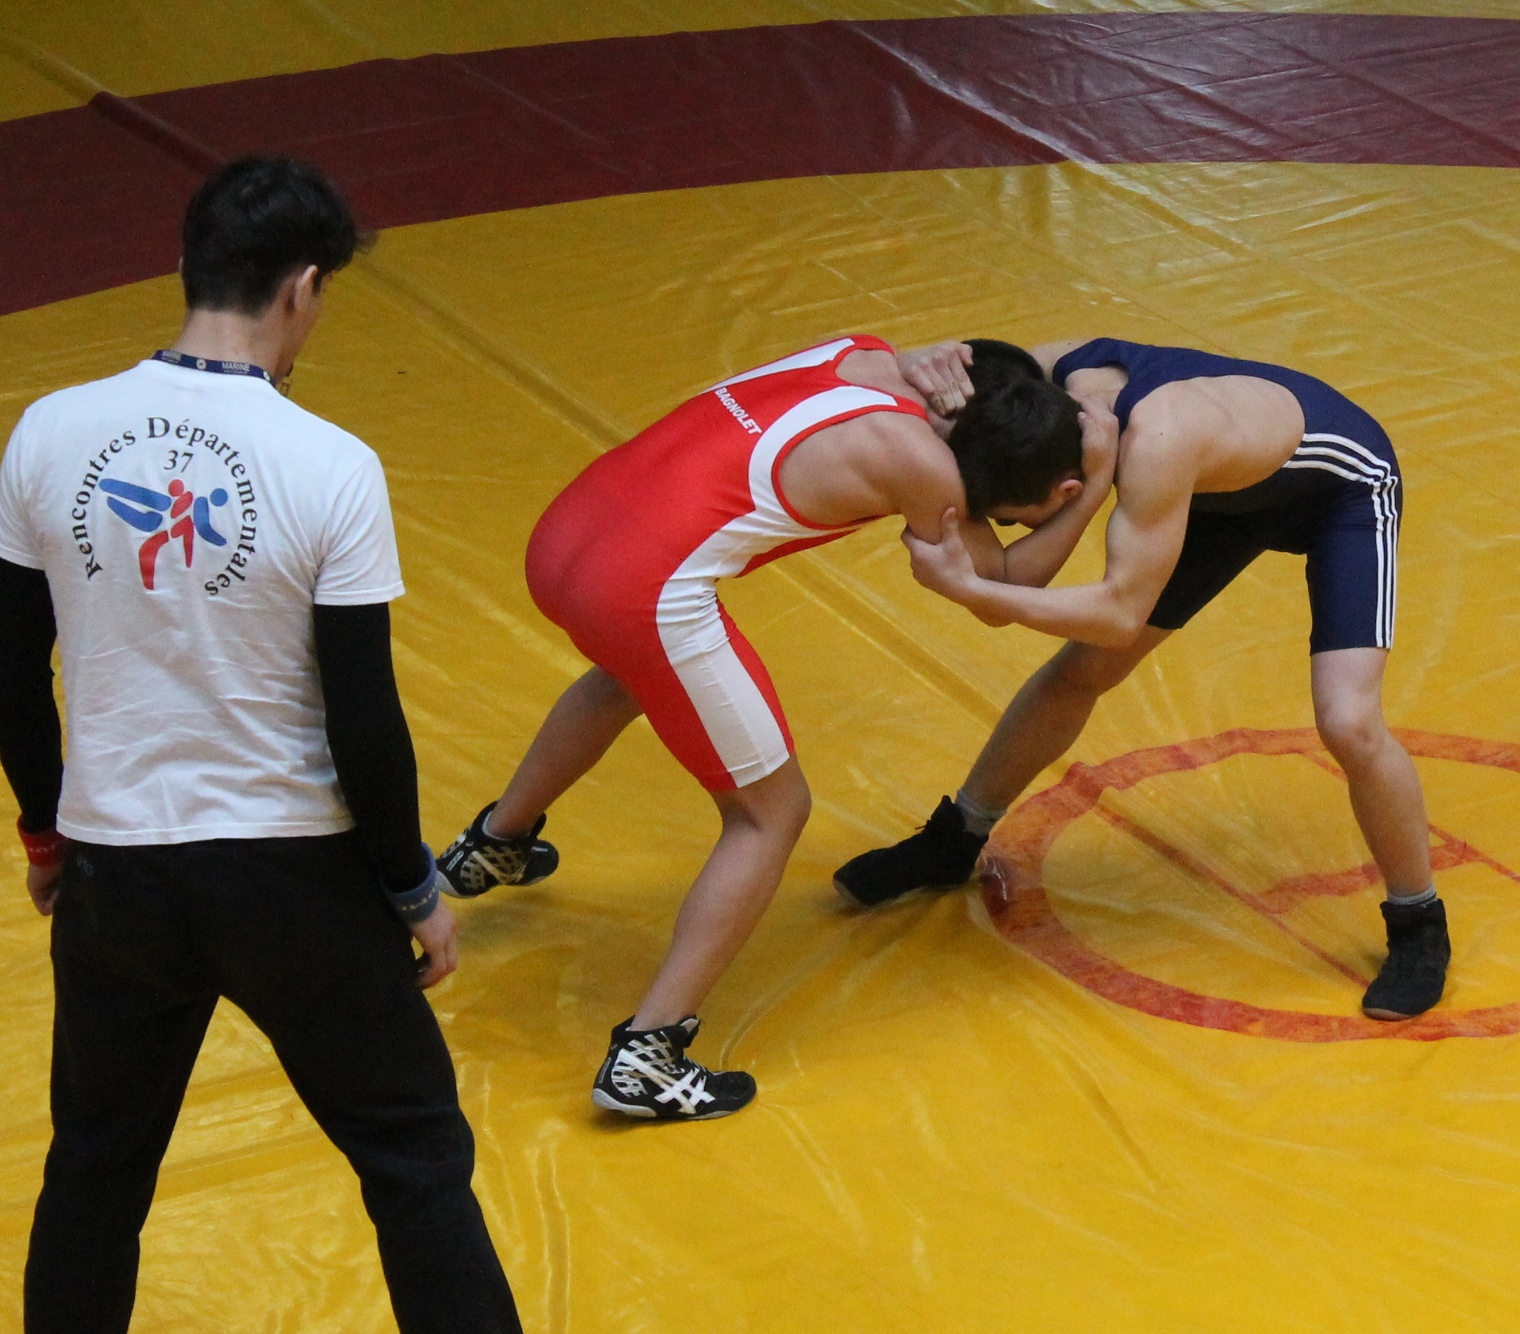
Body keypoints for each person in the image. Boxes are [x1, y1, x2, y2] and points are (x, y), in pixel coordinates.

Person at [0, 157, 522, 1334]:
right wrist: (410, 885)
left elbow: (10, 671)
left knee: (95, 1169)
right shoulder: (328, 464)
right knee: (413, 1158)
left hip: (119, 871)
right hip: (292, 878)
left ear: (186, 265)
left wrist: (46, 829)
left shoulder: (48, 432)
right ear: (302, 287)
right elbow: (363, 717)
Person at [435, 336, 1117, 1121]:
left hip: (566, 536)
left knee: (630, 676)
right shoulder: (923, 466)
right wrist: (1092, 488)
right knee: (771, 813)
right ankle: (648, 1056)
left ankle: (494, 843)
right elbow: (998, 589)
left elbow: (995, 367)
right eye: (1011, 514)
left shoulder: (865, 351)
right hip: (640, 591)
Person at [838, 337, 1452, 1022]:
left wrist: (975, 589)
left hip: (1341, 488)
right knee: (1082, 671)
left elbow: (1116, 615)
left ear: (1066, 490)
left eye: (1013, 521)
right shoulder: (1033, 383)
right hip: (1215, 487)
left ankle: (1418, 921)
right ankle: (953, 840)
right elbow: (877, 368)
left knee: (1348, 721)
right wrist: (920, 361)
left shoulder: (1159, 441)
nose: (1011, 533)